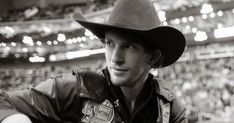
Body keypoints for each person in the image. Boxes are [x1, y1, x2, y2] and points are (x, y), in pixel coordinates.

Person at [0, 0, 187, 122]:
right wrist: (15, 119)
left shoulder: (167, 106)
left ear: (152, 57)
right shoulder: (74, 90)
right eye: (109, 43)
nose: (115, 58)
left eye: (129, 47)